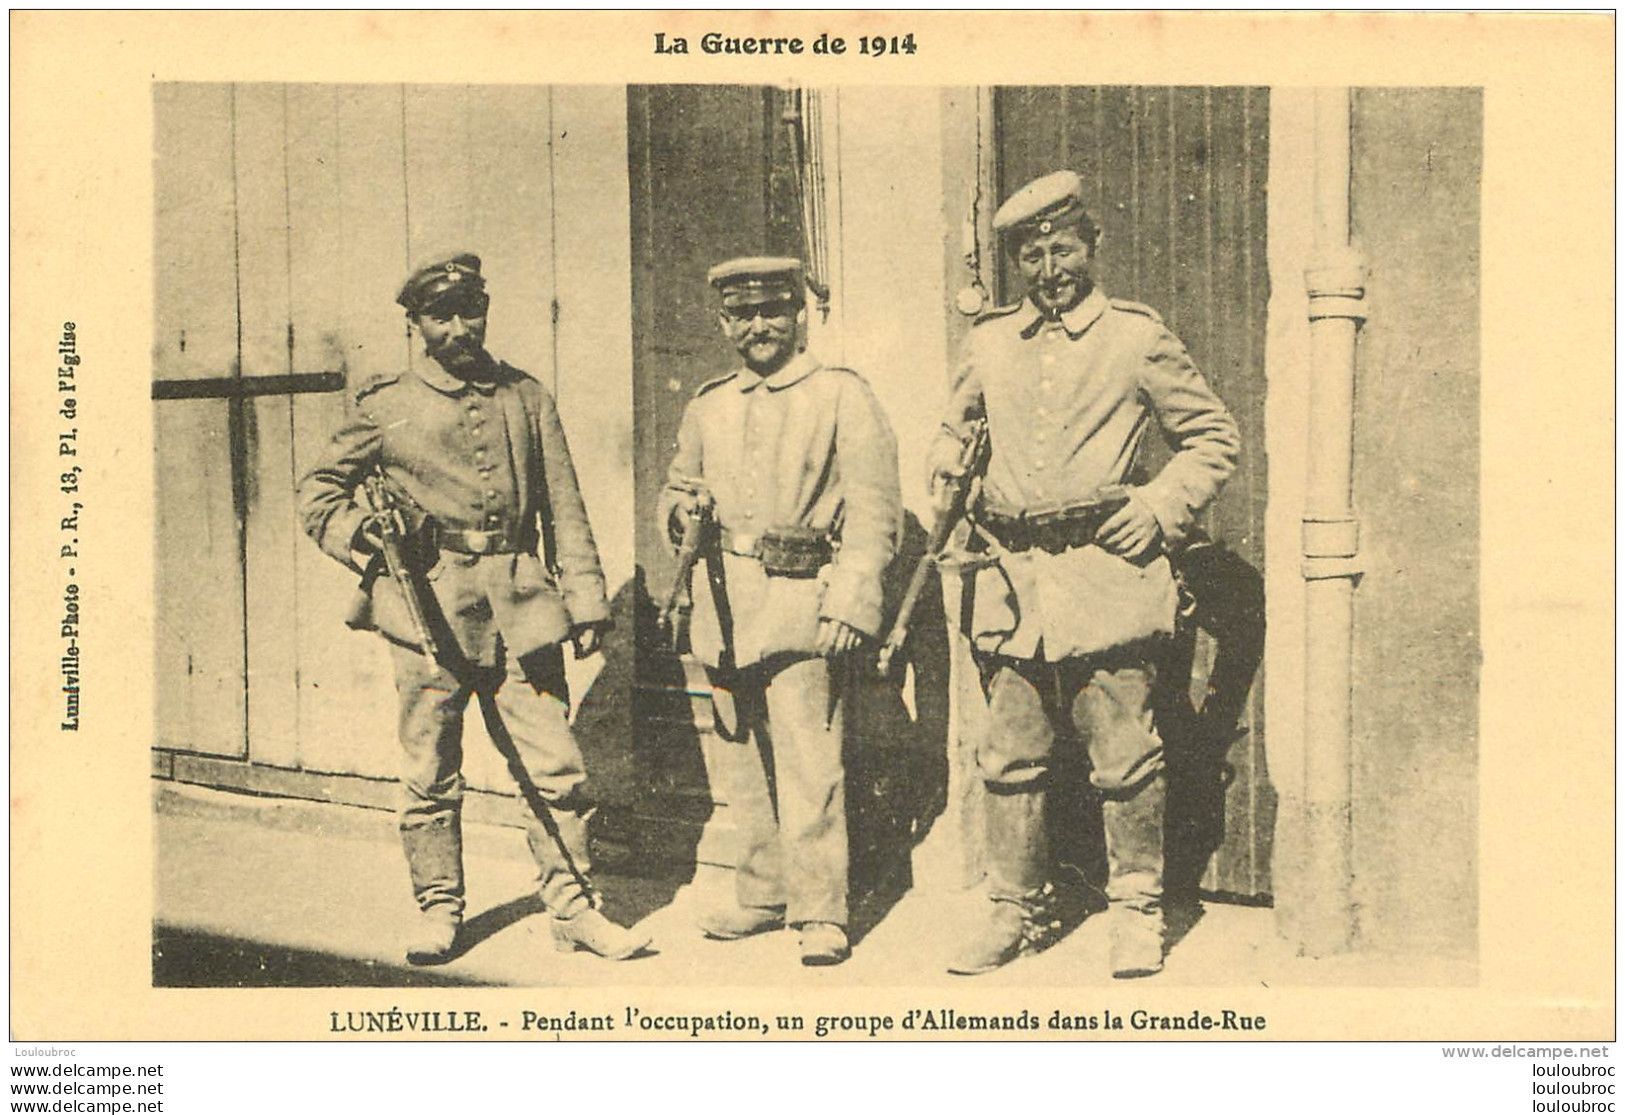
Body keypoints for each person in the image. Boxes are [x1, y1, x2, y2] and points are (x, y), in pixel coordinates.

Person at [298, 252, 649, 965]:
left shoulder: (526, 396)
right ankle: (439, 909)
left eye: (469, 311)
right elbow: (317, 495)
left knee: (557, 768)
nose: (458, 327)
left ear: (484, 310)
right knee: (430, 769)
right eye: (440, 315)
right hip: (426, 609)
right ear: (415, 322)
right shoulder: (383, 403)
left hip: (522, 605)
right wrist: (368, 542)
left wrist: (583, 602)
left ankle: (576, 909)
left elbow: (565, 508)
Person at [932, 172, 1241, 978]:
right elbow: (955, 428)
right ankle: (1012, 906)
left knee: (1124, 754)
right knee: (1009, 756)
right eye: (1030, 255)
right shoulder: (991, 341)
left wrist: (1160, 506)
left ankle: (1136, 909)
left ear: (1090, 245)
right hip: (1010, 579)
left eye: (1061, 247)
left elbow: (1212, 438)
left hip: (1106, 574)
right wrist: (945, 461)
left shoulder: (1136, 337)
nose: (1048, 268)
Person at [659, 257, 902, 966]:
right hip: (725, 605)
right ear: (724, 322)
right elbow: (676, 487)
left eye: (772, 311)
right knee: (738, 757)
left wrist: (852, 598)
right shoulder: (708, 404)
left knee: (808, 760)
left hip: (803, 601)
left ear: (798, 314)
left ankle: (820, 910)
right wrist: (680, 509)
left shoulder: (840, 396)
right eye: (741, 315)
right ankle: (763, 891)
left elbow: (874, 510)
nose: (757, 327)